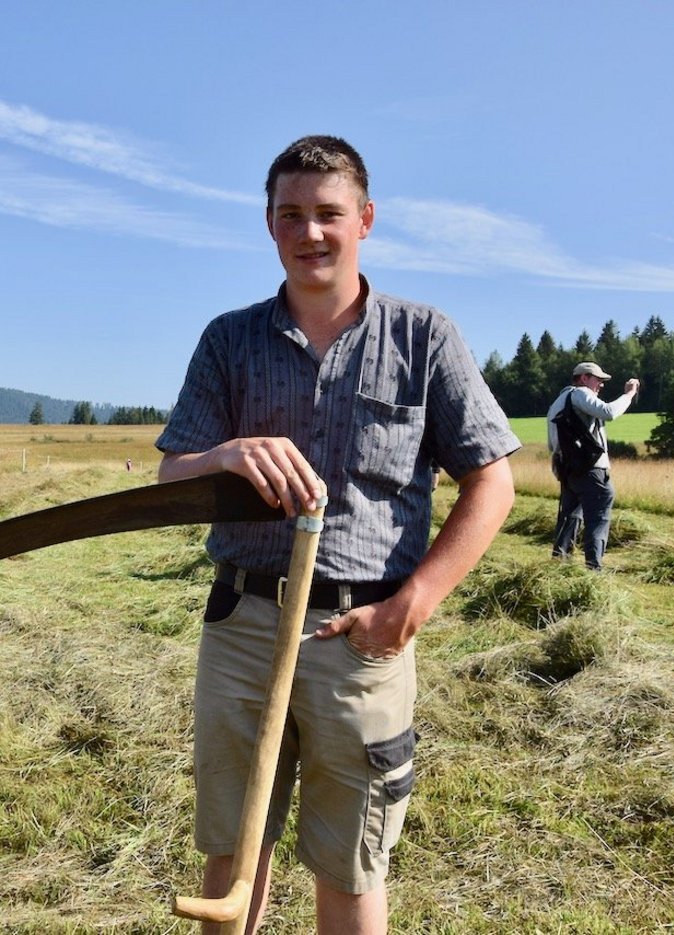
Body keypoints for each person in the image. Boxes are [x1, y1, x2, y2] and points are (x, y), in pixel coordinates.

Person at [155, 135, 520, 934]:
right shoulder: (231, 340)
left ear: (366, 219)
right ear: (270, 224)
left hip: (362, 634)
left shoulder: (424, 339)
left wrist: (414, 603)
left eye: (328, 214)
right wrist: (220, 454)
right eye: (292, 215)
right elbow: (169, 477)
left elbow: (493, 481)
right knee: (232, 854)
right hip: (245, 623)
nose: (310, 232)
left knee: (352, 864)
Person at [547, 362, 641, 570]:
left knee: (569, 517)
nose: (601, 385)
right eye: (597, 380)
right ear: (583, 378)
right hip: (591, 469)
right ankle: (594, 569)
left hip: (567, 471)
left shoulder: (556, 403)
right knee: (599, 514)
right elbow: (608, 412)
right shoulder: (580, 394)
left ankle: (559, 566)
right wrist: (629, 395)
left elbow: (551, 445)